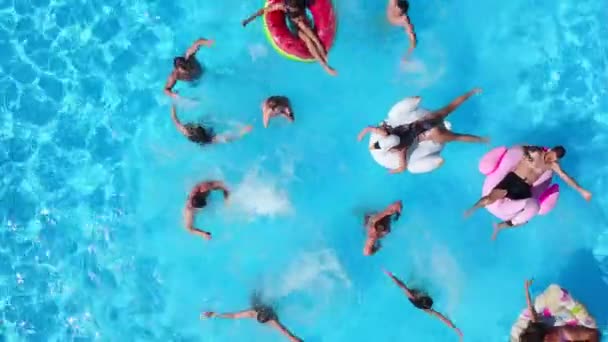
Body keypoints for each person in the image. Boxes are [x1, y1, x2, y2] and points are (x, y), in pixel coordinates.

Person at [464, 145, 592, 240]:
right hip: (513, 180)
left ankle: (499, 227)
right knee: (492, 196)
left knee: (524, 219)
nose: (550, 159)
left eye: (554, 159)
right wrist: (526, 154)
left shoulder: (552, 166)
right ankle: (472, 208)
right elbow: (523, 147)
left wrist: (582, 191)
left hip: (524, 189)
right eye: (551, 155)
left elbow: (566, 178)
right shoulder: (536, 152)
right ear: (550, 150)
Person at [357, 88, 488, 174]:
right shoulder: (387, 133)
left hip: (431, 135)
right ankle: (472, 92)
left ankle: (483, 140)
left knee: (459, 137)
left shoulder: (401, 151)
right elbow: (373, 129)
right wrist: (364, 133)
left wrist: (393, 171)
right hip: (425, 121)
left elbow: (402, 167)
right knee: (451, 106)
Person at [242, 0, 337, 76]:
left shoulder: (302, 2)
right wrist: (248, 20)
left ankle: (323, 54)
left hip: (305, 24)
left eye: (295, 8)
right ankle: (324, 66)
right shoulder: (283, 6)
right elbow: (263, 11)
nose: (293, 8)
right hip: (297, 29)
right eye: (292, 7)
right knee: (308, 39)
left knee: (311, 34)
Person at [383, 270, 463, 341]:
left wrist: (391, 276)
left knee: (410, 285)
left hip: (415, 298)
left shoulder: (416, 298)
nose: (425, 293)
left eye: (425, 294)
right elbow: (441, 317)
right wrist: (456, 329)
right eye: (425, 294)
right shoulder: (418, 298)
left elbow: (401, 285)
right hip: (418, 300)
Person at [517, 279, 600, 342]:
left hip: (568, 319)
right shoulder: (537, 328)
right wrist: (526, 290)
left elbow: (593, 333)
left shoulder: (568, 334)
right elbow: (531, 312)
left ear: (547, 338)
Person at [202, 293, 303, 342]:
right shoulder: (253, 313)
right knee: (256, 295)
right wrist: (214, 314)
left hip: (265, 306)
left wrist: (215, 314)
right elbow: (234, 316)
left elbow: (289, 335)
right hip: (258, 303)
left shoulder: (273, 321)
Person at [170, 105, 252, 145]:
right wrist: (243, 132)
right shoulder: (210, 139)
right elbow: (228, 139)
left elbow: (174, 118)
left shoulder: (185, 131)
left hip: (200, 136)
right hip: (207, 138)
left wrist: (173, 104)